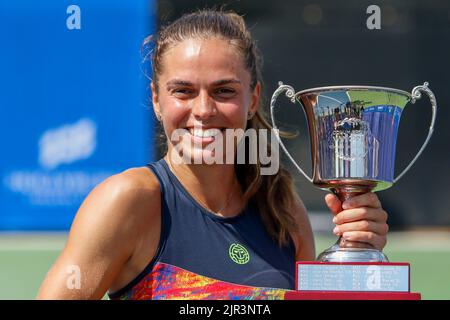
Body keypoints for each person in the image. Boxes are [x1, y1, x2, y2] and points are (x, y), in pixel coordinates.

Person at [37, 9, 388, 300]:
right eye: (183, 91)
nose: (203, 110)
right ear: (157, 100)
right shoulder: (128, 200)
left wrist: (358, 260)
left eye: (223, 90)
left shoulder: (283, 211)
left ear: (252, 99)